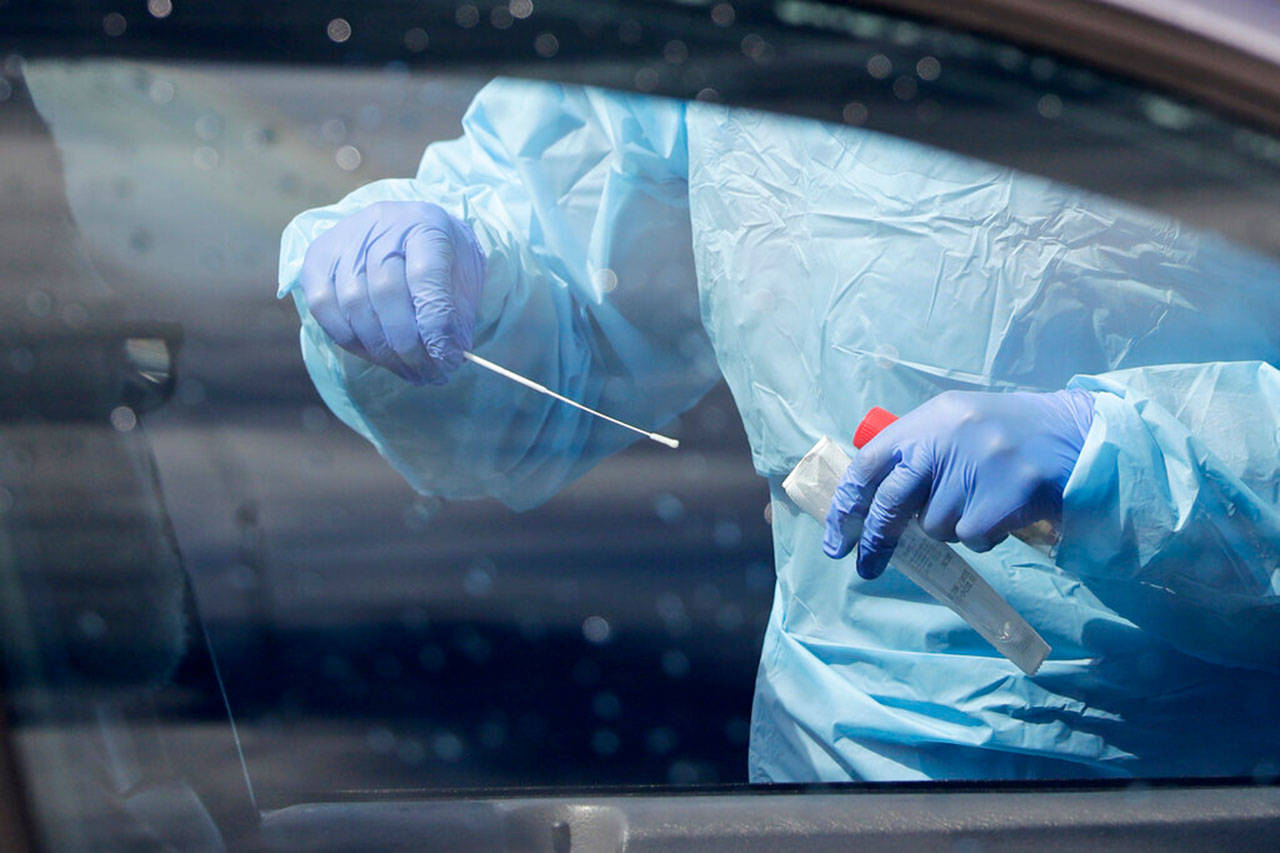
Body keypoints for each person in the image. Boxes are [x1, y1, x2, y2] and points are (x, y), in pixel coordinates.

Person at [279, 78, 1280, 782]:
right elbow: (560, 343)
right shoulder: (739, 33)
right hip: (844, 771)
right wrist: (455, 281)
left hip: (1216, 790)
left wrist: (1125, 465)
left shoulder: (1205, 32)